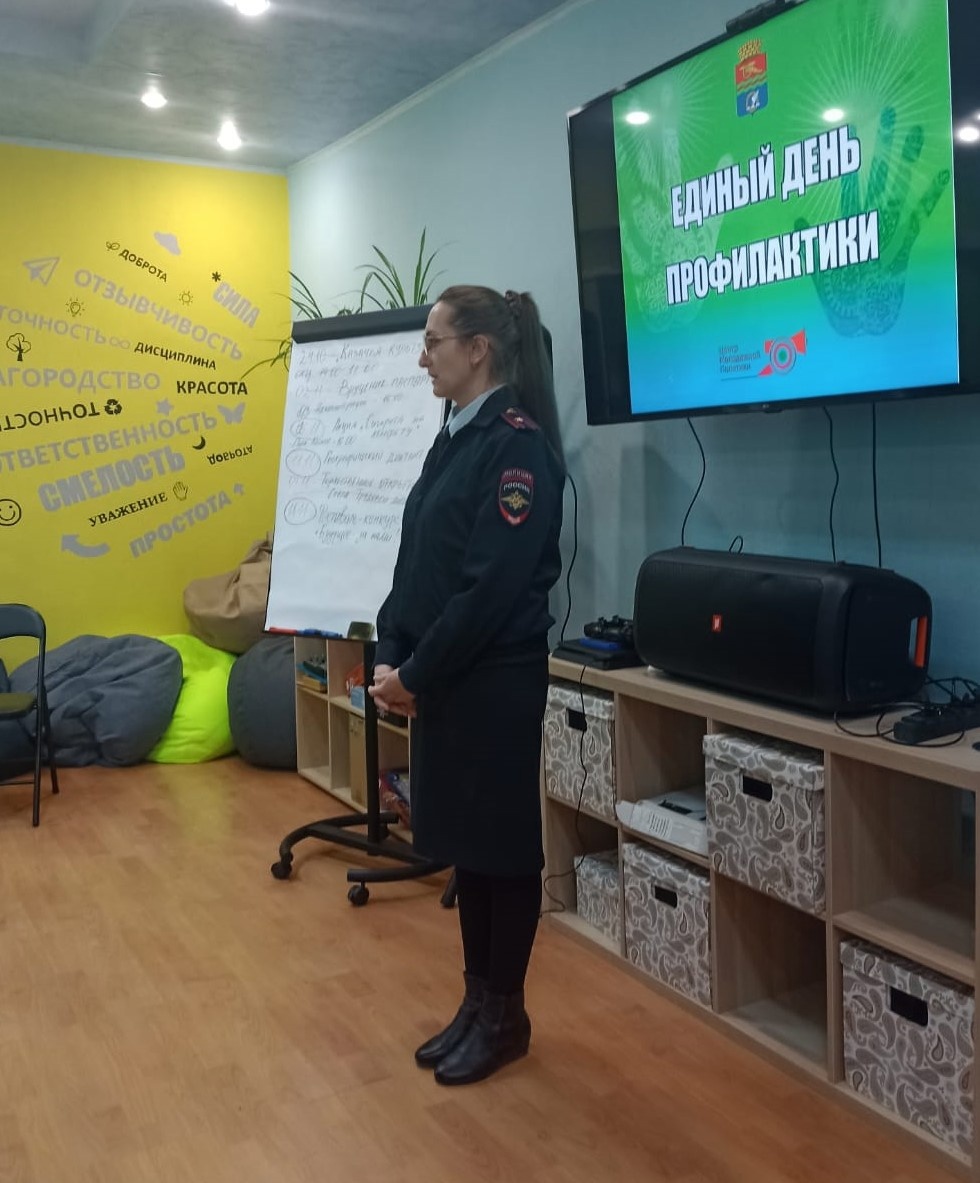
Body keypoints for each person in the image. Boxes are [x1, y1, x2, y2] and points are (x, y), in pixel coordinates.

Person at [369, 284, 565, 1087]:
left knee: (502, 852)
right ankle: (477, 1002)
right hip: (444, 679)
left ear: (478, 349)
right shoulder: (452, 436)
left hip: (492, 683)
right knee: (469, 856)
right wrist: (390, 651)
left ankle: (506, 1015)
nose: (423, 357)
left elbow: (489, 590)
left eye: (433, 341)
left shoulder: (517, 449)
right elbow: (415, 561)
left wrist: (415, 674)